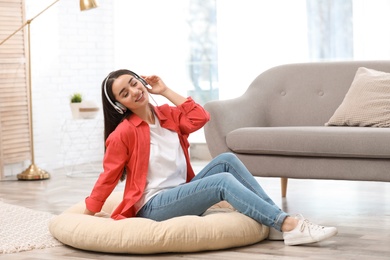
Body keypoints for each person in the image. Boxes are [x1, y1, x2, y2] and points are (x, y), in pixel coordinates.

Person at [84, 69, 338, 246]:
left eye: (133, 83)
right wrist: (89, 211)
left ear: (142, 81)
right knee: (222, 183)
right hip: (154, 206)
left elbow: (200, 117)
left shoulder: (165, 114)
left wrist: (164, 90)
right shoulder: (123, 133)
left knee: (226, 161)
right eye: (124, 94)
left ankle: (275, 222)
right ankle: (289, 225)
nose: (134, 91)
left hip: (181, 191)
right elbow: (108, 176)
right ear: (120, 105)